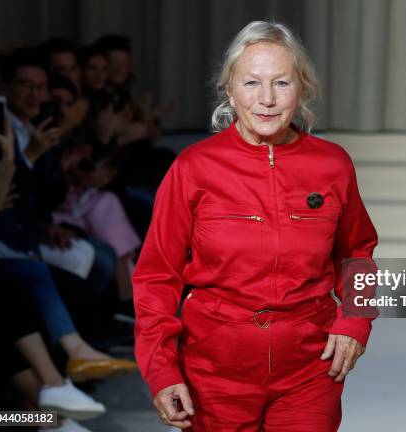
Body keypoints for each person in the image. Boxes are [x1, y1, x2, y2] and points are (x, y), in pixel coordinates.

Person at [133, 21, 378, 431]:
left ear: (302, 89)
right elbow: (157, 277)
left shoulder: (333, 164)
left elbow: (358, 253)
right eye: (251, 83)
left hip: (309, 371)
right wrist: (162, 370)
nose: (266, 100)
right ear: (229, 90)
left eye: (281, 83)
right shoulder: (194, 167)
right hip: (214, 376)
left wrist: (355, 321)